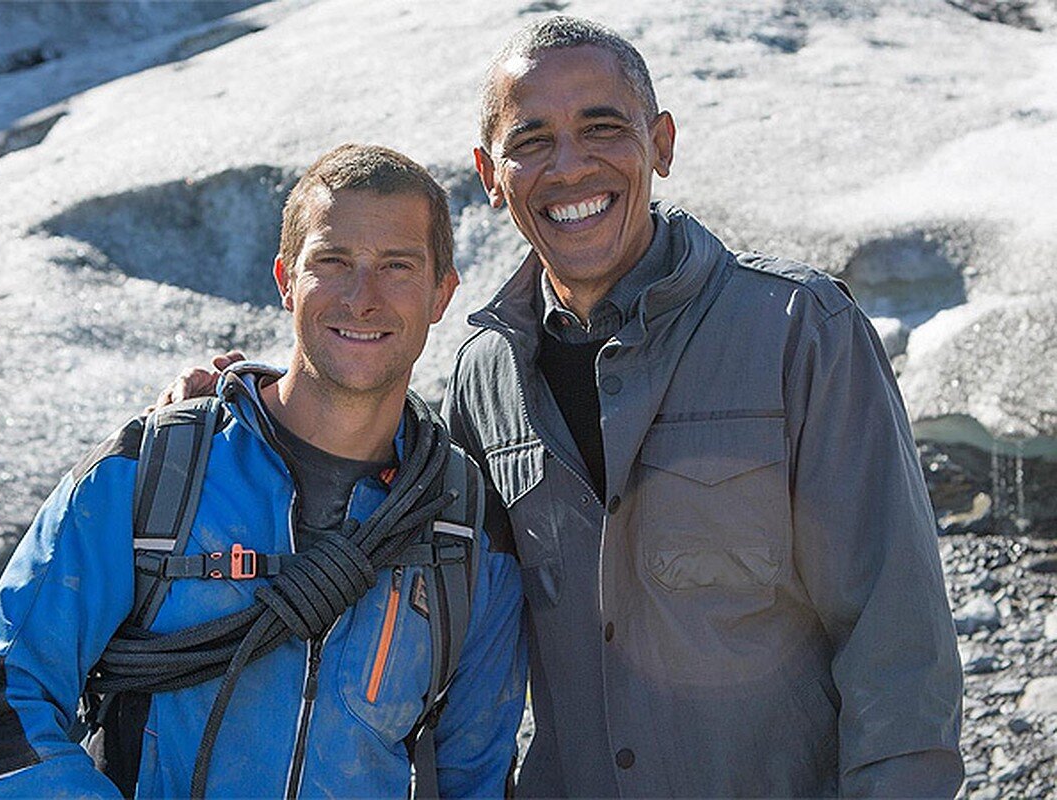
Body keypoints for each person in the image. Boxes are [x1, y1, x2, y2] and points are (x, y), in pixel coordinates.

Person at [159, 16, 965, 799]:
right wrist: (235, 419)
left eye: (603, 128)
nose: (570, 168)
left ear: (663, 143)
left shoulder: (800, 332)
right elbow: (409, 580)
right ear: (490, 176)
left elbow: (898, 638)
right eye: (532, 140)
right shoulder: (485, 375)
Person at [0, 144, 526, 798]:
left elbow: (475, 780)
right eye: (332, 262)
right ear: (284, 280)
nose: (363, 298)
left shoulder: (464, 532)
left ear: (442, 292)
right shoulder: (152, 474)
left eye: (397, 266)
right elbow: (1, 701)